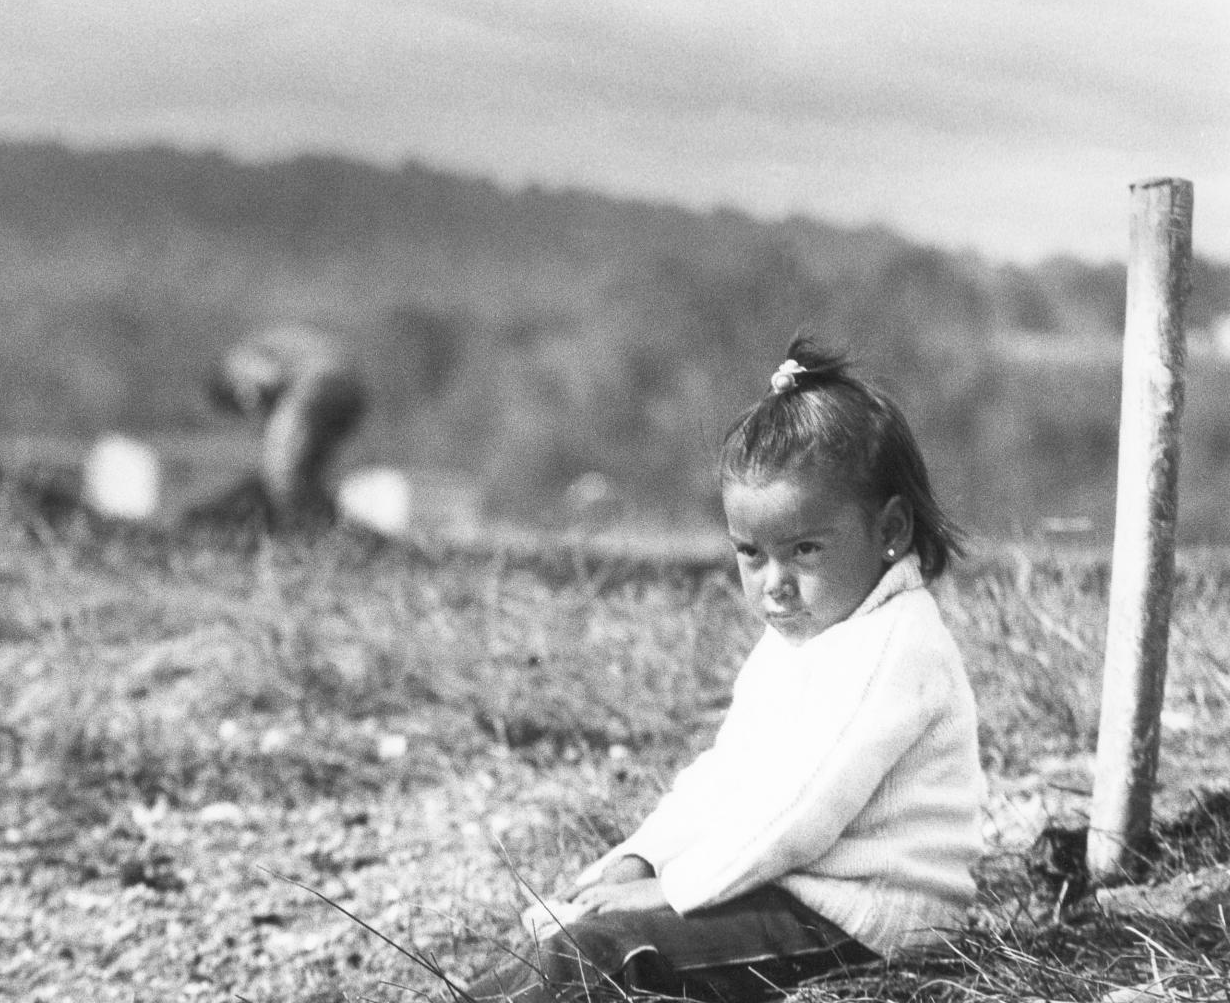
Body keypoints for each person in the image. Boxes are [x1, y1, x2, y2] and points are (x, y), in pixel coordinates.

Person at [467, 339, 985, 1003]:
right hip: (793, 890)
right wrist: (642, 857)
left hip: (871, 918)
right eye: (751, 553)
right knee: (555, 952)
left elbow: (800, 810)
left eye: (804, 550)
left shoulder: (895, 645)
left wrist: (673, 891)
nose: (776, 585)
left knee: (606, 954)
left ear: (891, 529)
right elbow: (727, 776)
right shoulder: (802, 641)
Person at [202, 323, 367, 529]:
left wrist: (251, 397)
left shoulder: (235, 365)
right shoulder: (272, 343)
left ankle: (294, 529)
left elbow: (267, 377)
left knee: (280, 468)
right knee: (307, 470)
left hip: (315, 381)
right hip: (348, 389)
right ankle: (322, 523)